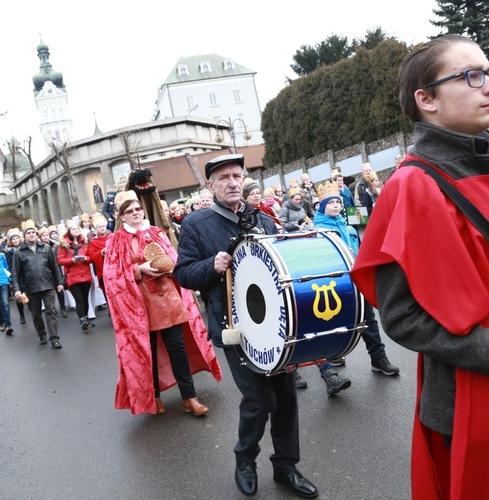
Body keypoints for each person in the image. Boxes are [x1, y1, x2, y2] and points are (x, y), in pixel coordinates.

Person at [351, 34, 489, 499]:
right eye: (472, 76)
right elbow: (402, 319)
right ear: (427, 99)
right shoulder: (409, 187)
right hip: (473, 392)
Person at [175, 154, 318, 498]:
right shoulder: (197, 223)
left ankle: (286, 467)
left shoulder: (262, 220)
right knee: (258, 401)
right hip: (234, 329)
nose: (232, 182)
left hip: (273, 327)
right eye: (223, 177)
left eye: (237, 175)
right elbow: (182, 274)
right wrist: (211, 264)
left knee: (285, 400)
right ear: (210, 186)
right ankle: (245, 461)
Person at [103, 190, 221, 416]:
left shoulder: (157, 232)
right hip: (139, 305)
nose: (135, 213)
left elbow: (175, 260)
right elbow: (111, 277)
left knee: (177, 348)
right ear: (122, 216)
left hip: (168, 298)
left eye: (138, 209)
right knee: (148, 351)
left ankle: (189, 397)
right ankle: (153, 397)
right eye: (129, 211)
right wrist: (139, 270)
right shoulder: (116, 241)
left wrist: (168, 266)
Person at [313, 181, 399, 376]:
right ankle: (331, 360)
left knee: (368, 318)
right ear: (322, 206)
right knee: (331, 323)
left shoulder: (348, 226)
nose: (336, 205)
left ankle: (378, 357)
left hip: (355, 280)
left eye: (338, 202)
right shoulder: (318, 230)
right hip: (333, 284)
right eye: (330, 203)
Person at [12, 221, 65, 348]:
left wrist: (59, 282)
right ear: (24, 236)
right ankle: (41, 333)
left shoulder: (45, 248)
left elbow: (55, 266)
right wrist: (17, 289)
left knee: (51, 311)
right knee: (36, 313)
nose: (31, 235)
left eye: (33, 233)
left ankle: (54, 338)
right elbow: (15, 274)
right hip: (31, 288)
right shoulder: (19, 252)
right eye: (28, 233)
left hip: (47, 285)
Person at [57, 221, 94, 330]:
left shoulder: (85, 243)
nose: (76, 230)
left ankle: (86, 318)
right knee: (79, 299)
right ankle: (82, 320)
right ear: (68, 231)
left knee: (85, 298)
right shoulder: (64, 245)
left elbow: (91, 256)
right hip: (73, 275)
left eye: (77, 228)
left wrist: (86, 259)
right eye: (73, 229)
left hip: (85, 273)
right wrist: (72, 260)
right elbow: (60, 260)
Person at [4, 228, 26, 324]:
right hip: (16, 276)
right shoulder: (8, 252)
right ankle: (21, 314)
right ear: (11, 241)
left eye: (17, 238)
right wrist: (11, 280)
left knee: (29, 294)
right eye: (13, 239)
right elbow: (8, 266)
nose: (16, 240)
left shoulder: (25, 249)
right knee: (19, 296)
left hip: (26, 275)